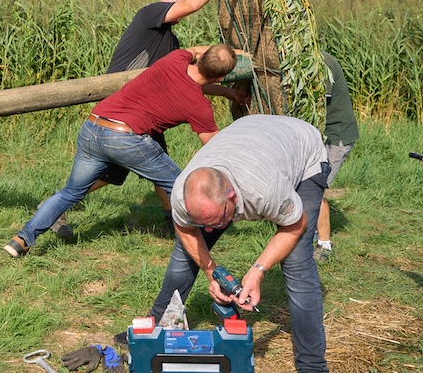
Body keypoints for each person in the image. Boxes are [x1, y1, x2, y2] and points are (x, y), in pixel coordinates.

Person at [47, 0, 246, 239]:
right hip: (124, 109)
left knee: (124, 171)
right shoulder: (150, 14)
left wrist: (227, 92)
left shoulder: (171, 42)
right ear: (168, 0)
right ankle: (177, 222)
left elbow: (191, 81)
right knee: (152, 169)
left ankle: (170, 219)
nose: (183, 16)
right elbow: (192, 4)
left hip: (141, 112)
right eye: (179, 7)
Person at [122, 114, 330, 372]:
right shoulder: (181, 193)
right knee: (184, 255)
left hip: (302, 149)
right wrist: (211, 272)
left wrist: (257, 272)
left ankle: (312, 365)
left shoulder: (265, 190)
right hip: (247, 136)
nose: (209, 230)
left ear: (232, 198)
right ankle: (153, 328)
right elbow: (185, 229)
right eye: (203, 222)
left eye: (216, 221)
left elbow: (295, 225)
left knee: (297, 262)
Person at [4, 43, 238, 258]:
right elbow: (213, 145)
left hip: (93, 125)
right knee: (180, 186)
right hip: (125, 139)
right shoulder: (199, 105)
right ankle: (195, 246)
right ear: (221, 77)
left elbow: (196, 50)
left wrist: (223, 55)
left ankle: (21, 240)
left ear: (202, 57)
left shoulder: (175, 59)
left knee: (70, 193)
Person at [314, 51, 359, 262]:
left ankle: (324, 245)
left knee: (314, 189)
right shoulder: (315, 58)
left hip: (335, 136)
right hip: (323, 135)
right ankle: (307, 233)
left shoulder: (322, 63)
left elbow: (319, 102)